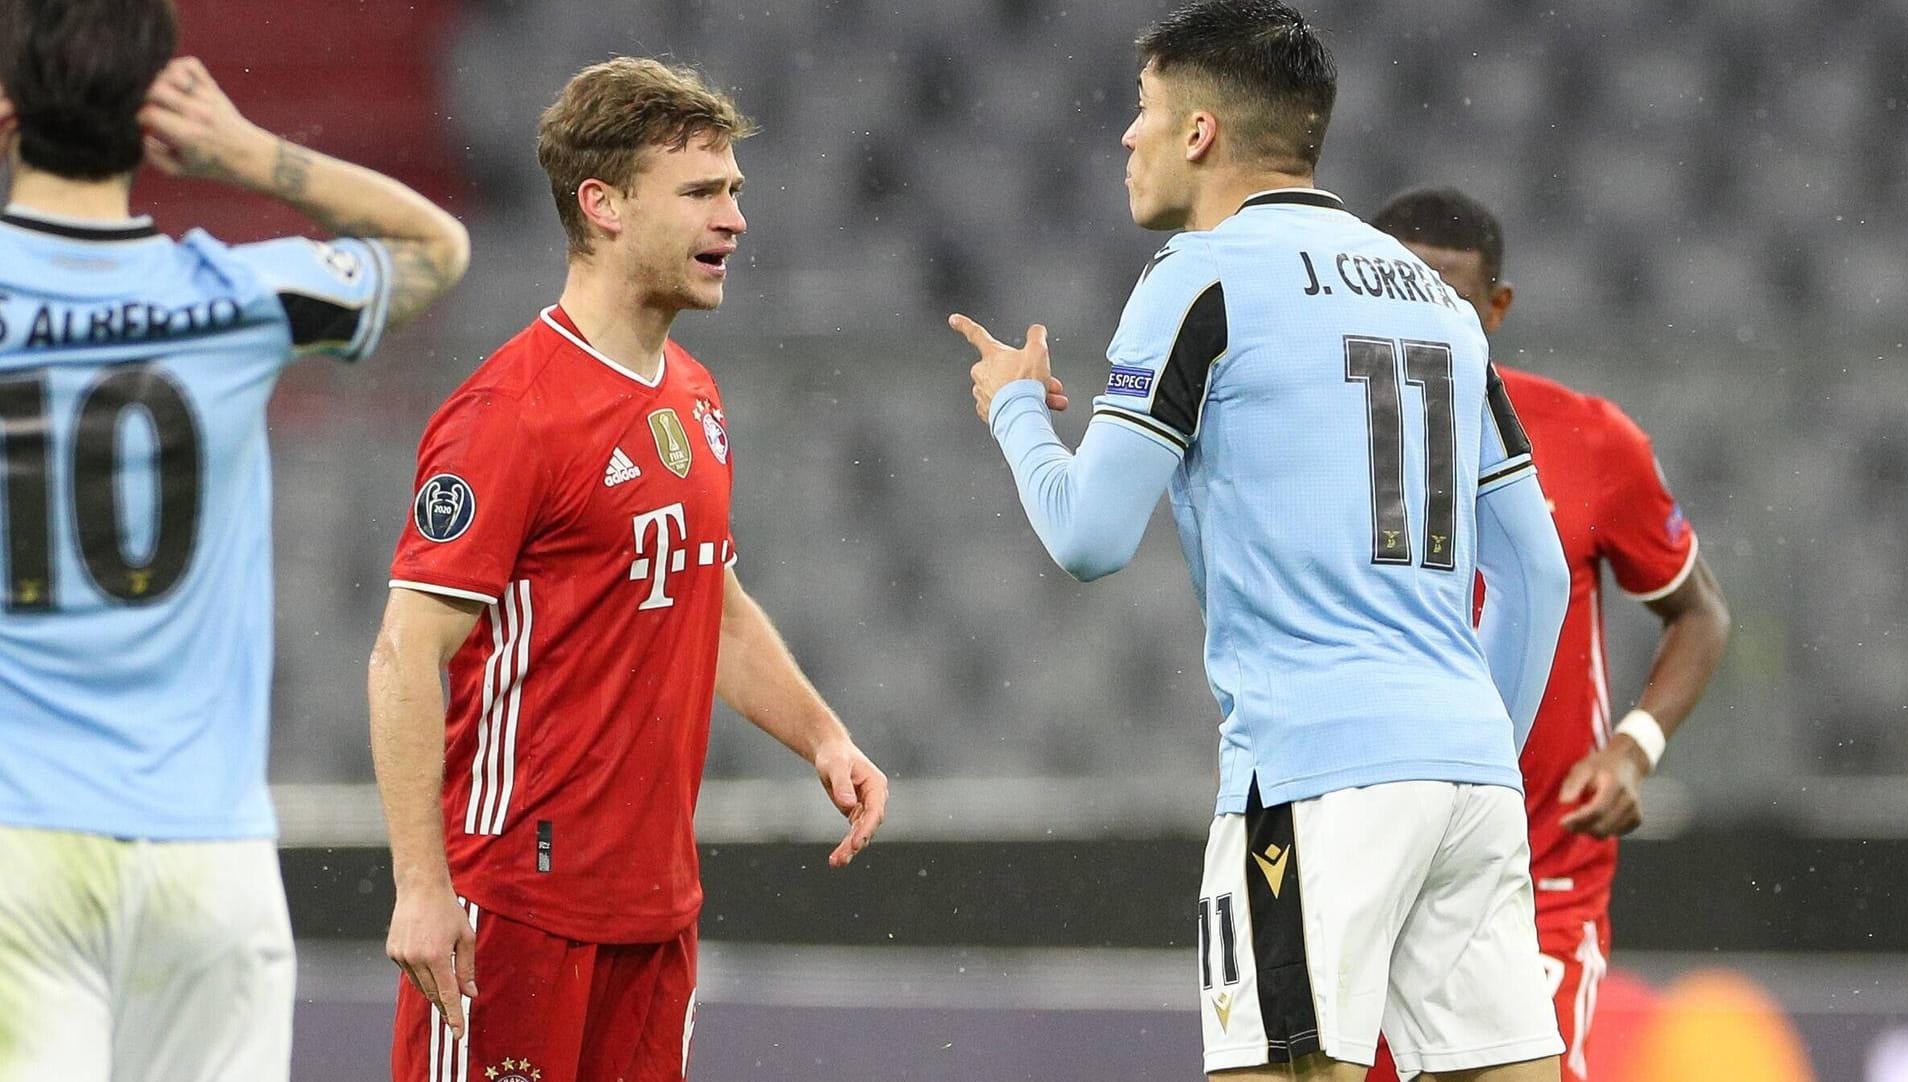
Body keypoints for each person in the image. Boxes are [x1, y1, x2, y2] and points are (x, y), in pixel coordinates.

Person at [948, 2, 1573, 1079]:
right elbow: (1537, 573)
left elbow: (1090, 537)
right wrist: (1470, 756)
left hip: (1312, 771)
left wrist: (1015, 410)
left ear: (1200, 132)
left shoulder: (1200, 277)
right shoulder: (1436, 299)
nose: (1125, 137)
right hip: (1469, 775)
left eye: (1142, 111)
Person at [369, 56, 890, 1082]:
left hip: (657, 912)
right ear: (602, 205)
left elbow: (715, 603)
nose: (735, 219)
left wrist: (823, 736)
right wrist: (423, 887)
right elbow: (401, 651)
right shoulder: (510, 413)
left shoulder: (691, 391)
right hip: (514, 905)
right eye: (702, 192)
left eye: (734, 190)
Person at [0, 0, 469, 1075]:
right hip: (206, 856)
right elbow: (436, 249)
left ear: (10, 109)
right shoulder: (235, 295)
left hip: (18, 846)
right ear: (158, 115)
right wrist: (248, 154)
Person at [1366, 187, 1731, 1082]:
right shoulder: (1316, 448)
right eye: (1395, 290)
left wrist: (1632, 750)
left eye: (1446, 295)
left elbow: (1699, 613)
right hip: (1372, 864)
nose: (1420, 317)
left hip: (1537, 872)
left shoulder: (1589, 439)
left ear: (1497, 308)